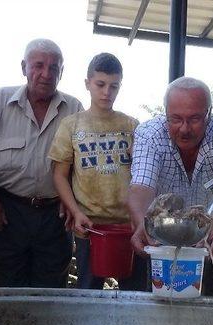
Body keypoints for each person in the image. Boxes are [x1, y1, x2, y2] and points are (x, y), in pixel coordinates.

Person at [0, 38, 83, 288]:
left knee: (51, 291)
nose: (46, 74)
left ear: (62, 72)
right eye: (38, 65)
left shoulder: (74, 108)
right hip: (8, 212)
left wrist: (74, 203)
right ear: (24, 67)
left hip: (54, 216)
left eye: (54, 68)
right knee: (4, 288)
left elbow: (81, 166)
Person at [129, 76, 213, 296]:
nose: (184, 129)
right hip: (163, 231)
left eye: (194, 119)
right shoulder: (149, 134)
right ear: (165, 113)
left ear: (208, 113)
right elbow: (140, 186)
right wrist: (142, 223)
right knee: (160, 306)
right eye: (175, 119)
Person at [50, 52, 141, 290]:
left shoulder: (132, 125)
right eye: (100, 84)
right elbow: (59, 175)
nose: (106, 92)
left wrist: (140, 217)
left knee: (135, 293)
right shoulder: (72, 125)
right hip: (89, 226)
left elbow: (143, 174)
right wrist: (75, 211)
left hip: (128, 226)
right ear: (87, 83)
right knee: (88, 291)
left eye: (114, 86)